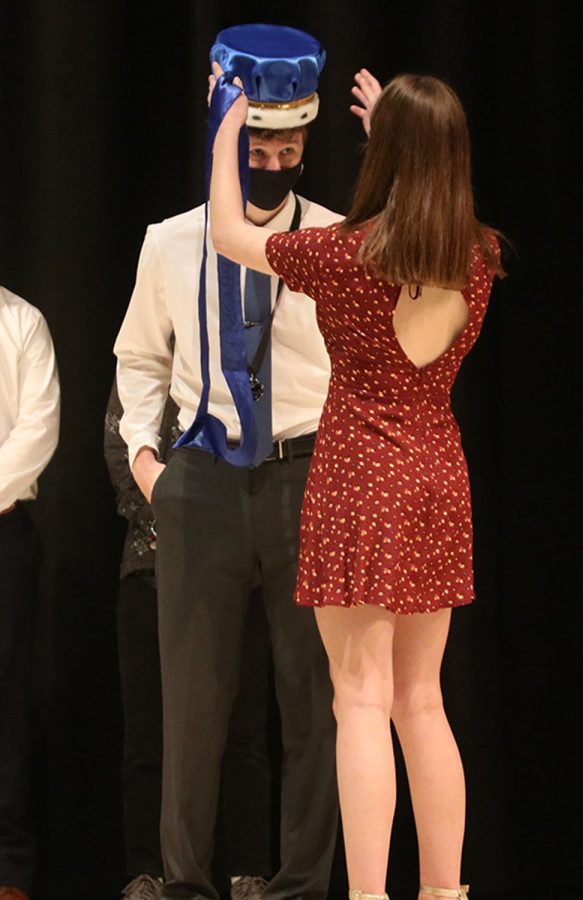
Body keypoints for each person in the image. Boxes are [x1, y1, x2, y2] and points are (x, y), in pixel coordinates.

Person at [207, 60, 505, 900]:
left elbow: (230, 232)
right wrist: (403, 136)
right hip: (438, 476)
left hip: (360, 480)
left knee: (361, 700)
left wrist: (232, 118)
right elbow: (425, 210)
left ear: (394, 157)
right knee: (422, 701)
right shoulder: (478, 256)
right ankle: (445, 894)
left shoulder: (343, 254)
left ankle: (370, 896)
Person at [113, 24, 340, 900]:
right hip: (201, 477)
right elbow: (138, 359)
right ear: (226, 136)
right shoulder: (169, 242)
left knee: (312, 700)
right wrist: (149, 464)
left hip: (304, 472)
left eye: (291, 144)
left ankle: (299, 887)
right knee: (193, 709)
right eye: (258, 141)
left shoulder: (331, 239)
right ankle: (184, 883)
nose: (276, 160)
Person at [104, 381, 273, 900]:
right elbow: (119, 445)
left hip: (235, 569)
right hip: (150, 566)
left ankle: (248, 871)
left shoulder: (235, 352)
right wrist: (181, 511)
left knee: (244, 728)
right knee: (149, 730)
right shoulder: (147, 358)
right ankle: (147, 872)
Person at [0, 285, 60, 900]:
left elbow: (38, 427)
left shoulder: (22, 320)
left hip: (2, 526)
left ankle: (7, 867)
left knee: (6, 693)